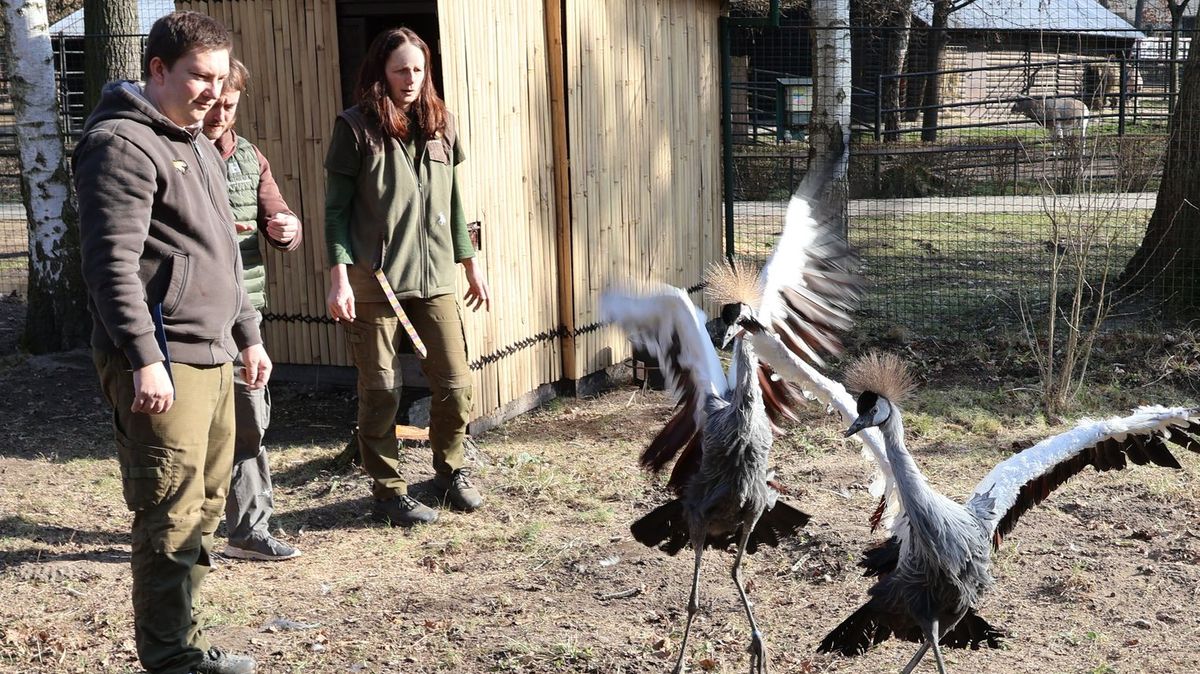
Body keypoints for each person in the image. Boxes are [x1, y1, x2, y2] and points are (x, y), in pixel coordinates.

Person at [74, 11, 265, 674]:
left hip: (211, 355)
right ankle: (169, 660)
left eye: (219, 77)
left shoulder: (192, 139)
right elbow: (110, 266)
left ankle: (183, 645)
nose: (212, 90)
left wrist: (248, 333)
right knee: (169, 515)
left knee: (206, 510)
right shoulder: (122, 143)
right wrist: (144, 360)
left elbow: (222, 254)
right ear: (157, 69)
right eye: (198, 76)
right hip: (164, 363)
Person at [324, 27, 490, 526]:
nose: (410, 79)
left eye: (418, 69)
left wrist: (470, 264)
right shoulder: (354, 128)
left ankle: (450, 472)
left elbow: (455, 203)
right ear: (382, 72)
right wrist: (337, 275)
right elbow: (335, 211)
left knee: (456, 384)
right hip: (374, 279)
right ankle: (388, 490)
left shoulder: (444, 125)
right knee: (380, 389)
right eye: (400, 69)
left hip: (437, 274)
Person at [201, 59, 303, 562]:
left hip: (246, 314)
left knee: (249, 418)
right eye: (214, 101)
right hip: (188, 315)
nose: (220, 113)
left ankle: (248, 529)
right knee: (195, 424)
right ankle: (190, 529)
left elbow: (275, 213)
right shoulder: (172, 152)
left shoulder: (249, 158)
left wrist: (287, 227)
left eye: (230, 104)